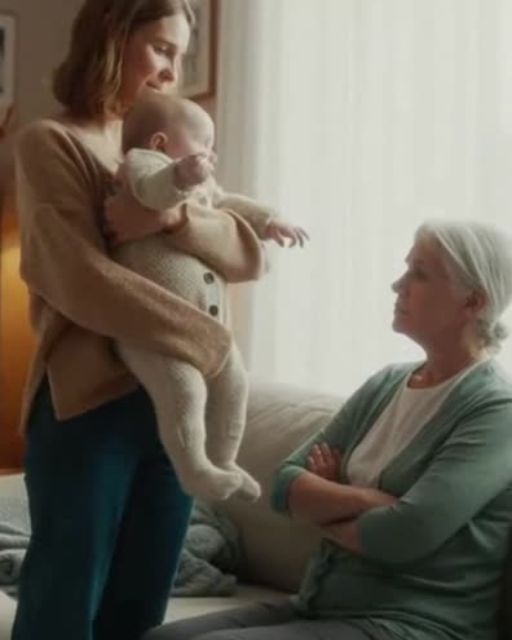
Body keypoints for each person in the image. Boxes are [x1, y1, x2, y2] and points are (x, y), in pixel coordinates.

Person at [10, 1, 258, 639]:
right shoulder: (51, 141)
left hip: (172, 412)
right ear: (113, 38)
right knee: (63, 612)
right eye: (162, 49)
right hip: (89, 408)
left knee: (141, 612)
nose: (173, 71)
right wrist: (209, 343)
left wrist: (172, 217)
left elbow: (242, 250)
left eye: (182, 55)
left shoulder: (167, 143)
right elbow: (79, 280)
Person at [143, 219, 512, 640]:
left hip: (413, 623)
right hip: (321, 604)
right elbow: (284, 484)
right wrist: (365, 500)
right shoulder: (388, 383)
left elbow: (408, 532)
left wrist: (323, 505)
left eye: (420, 273)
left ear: (473, 301)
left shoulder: (496, 411)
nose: (398, 285)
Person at [109, 93, 308, 503]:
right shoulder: (140, 164)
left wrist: (269, 221)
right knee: (184, 391)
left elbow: (229, 203)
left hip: (204, 327)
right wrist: (180, 175)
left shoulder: (203, 186)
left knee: (234, 383)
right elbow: (153, 193)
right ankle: (195, 470)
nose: (211, 154)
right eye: (204, 143)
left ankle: (224, 460)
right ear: (161, 143)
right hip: (154, 329)